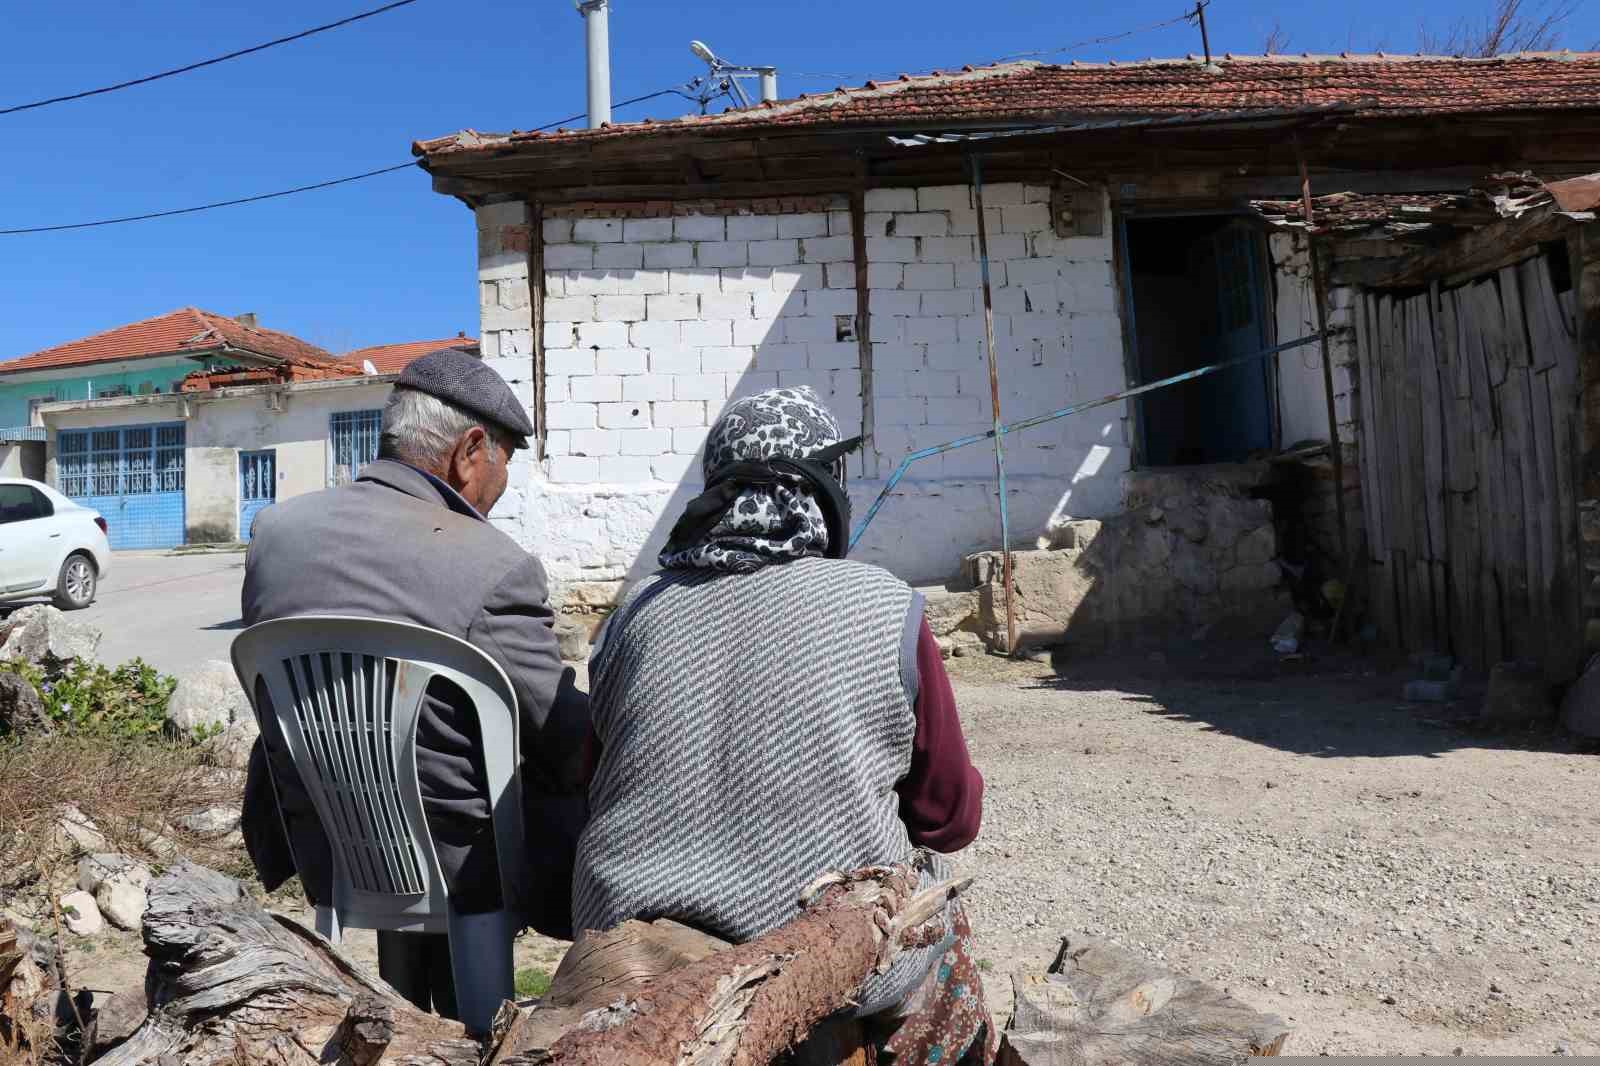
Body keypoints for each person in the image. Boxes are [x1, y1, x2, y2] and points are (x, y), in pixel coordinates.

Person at [573, 386, 993, 1064]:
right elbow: (950, 815)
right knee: (941, 918)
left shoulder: (635, 613)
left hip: (624, 944)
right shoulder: (886, 606)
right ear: (824, 490)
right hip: (815, 957)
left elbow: (592, 784)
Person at [239, 348, 589, 1019]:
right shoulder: (492, 563)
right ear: (470, 450)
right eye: (506, 462)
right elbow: (561, 738)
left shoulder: (276, 534)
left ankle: (416, 1001)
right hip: (463, 867)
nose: (501, 483)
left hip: (329, 843)